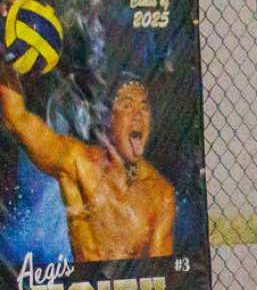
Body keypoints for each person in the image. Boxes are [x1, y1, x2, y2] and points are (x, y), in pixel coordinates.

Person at [0, 59, 175, 261]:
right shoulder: (77, 162)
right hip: (69, 274)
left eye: (143, 108)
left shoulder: (160, 195)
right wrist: (6, 57)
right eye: (127, 105)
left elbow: (160, 266)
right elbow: (17, 119)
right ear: (108, 118)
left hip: (123, 281)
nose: (138, 116)